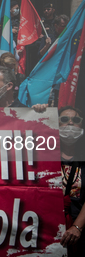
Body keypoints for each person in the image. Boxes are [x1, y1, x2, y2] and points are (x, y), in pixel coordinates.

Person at [59, 106, 85, 255]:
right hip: (47, 227)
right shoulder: (44, 153)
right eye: (64, 119)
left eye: (75, 120)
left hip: (78, 233)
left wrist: (77, 227)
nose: (70, 123)